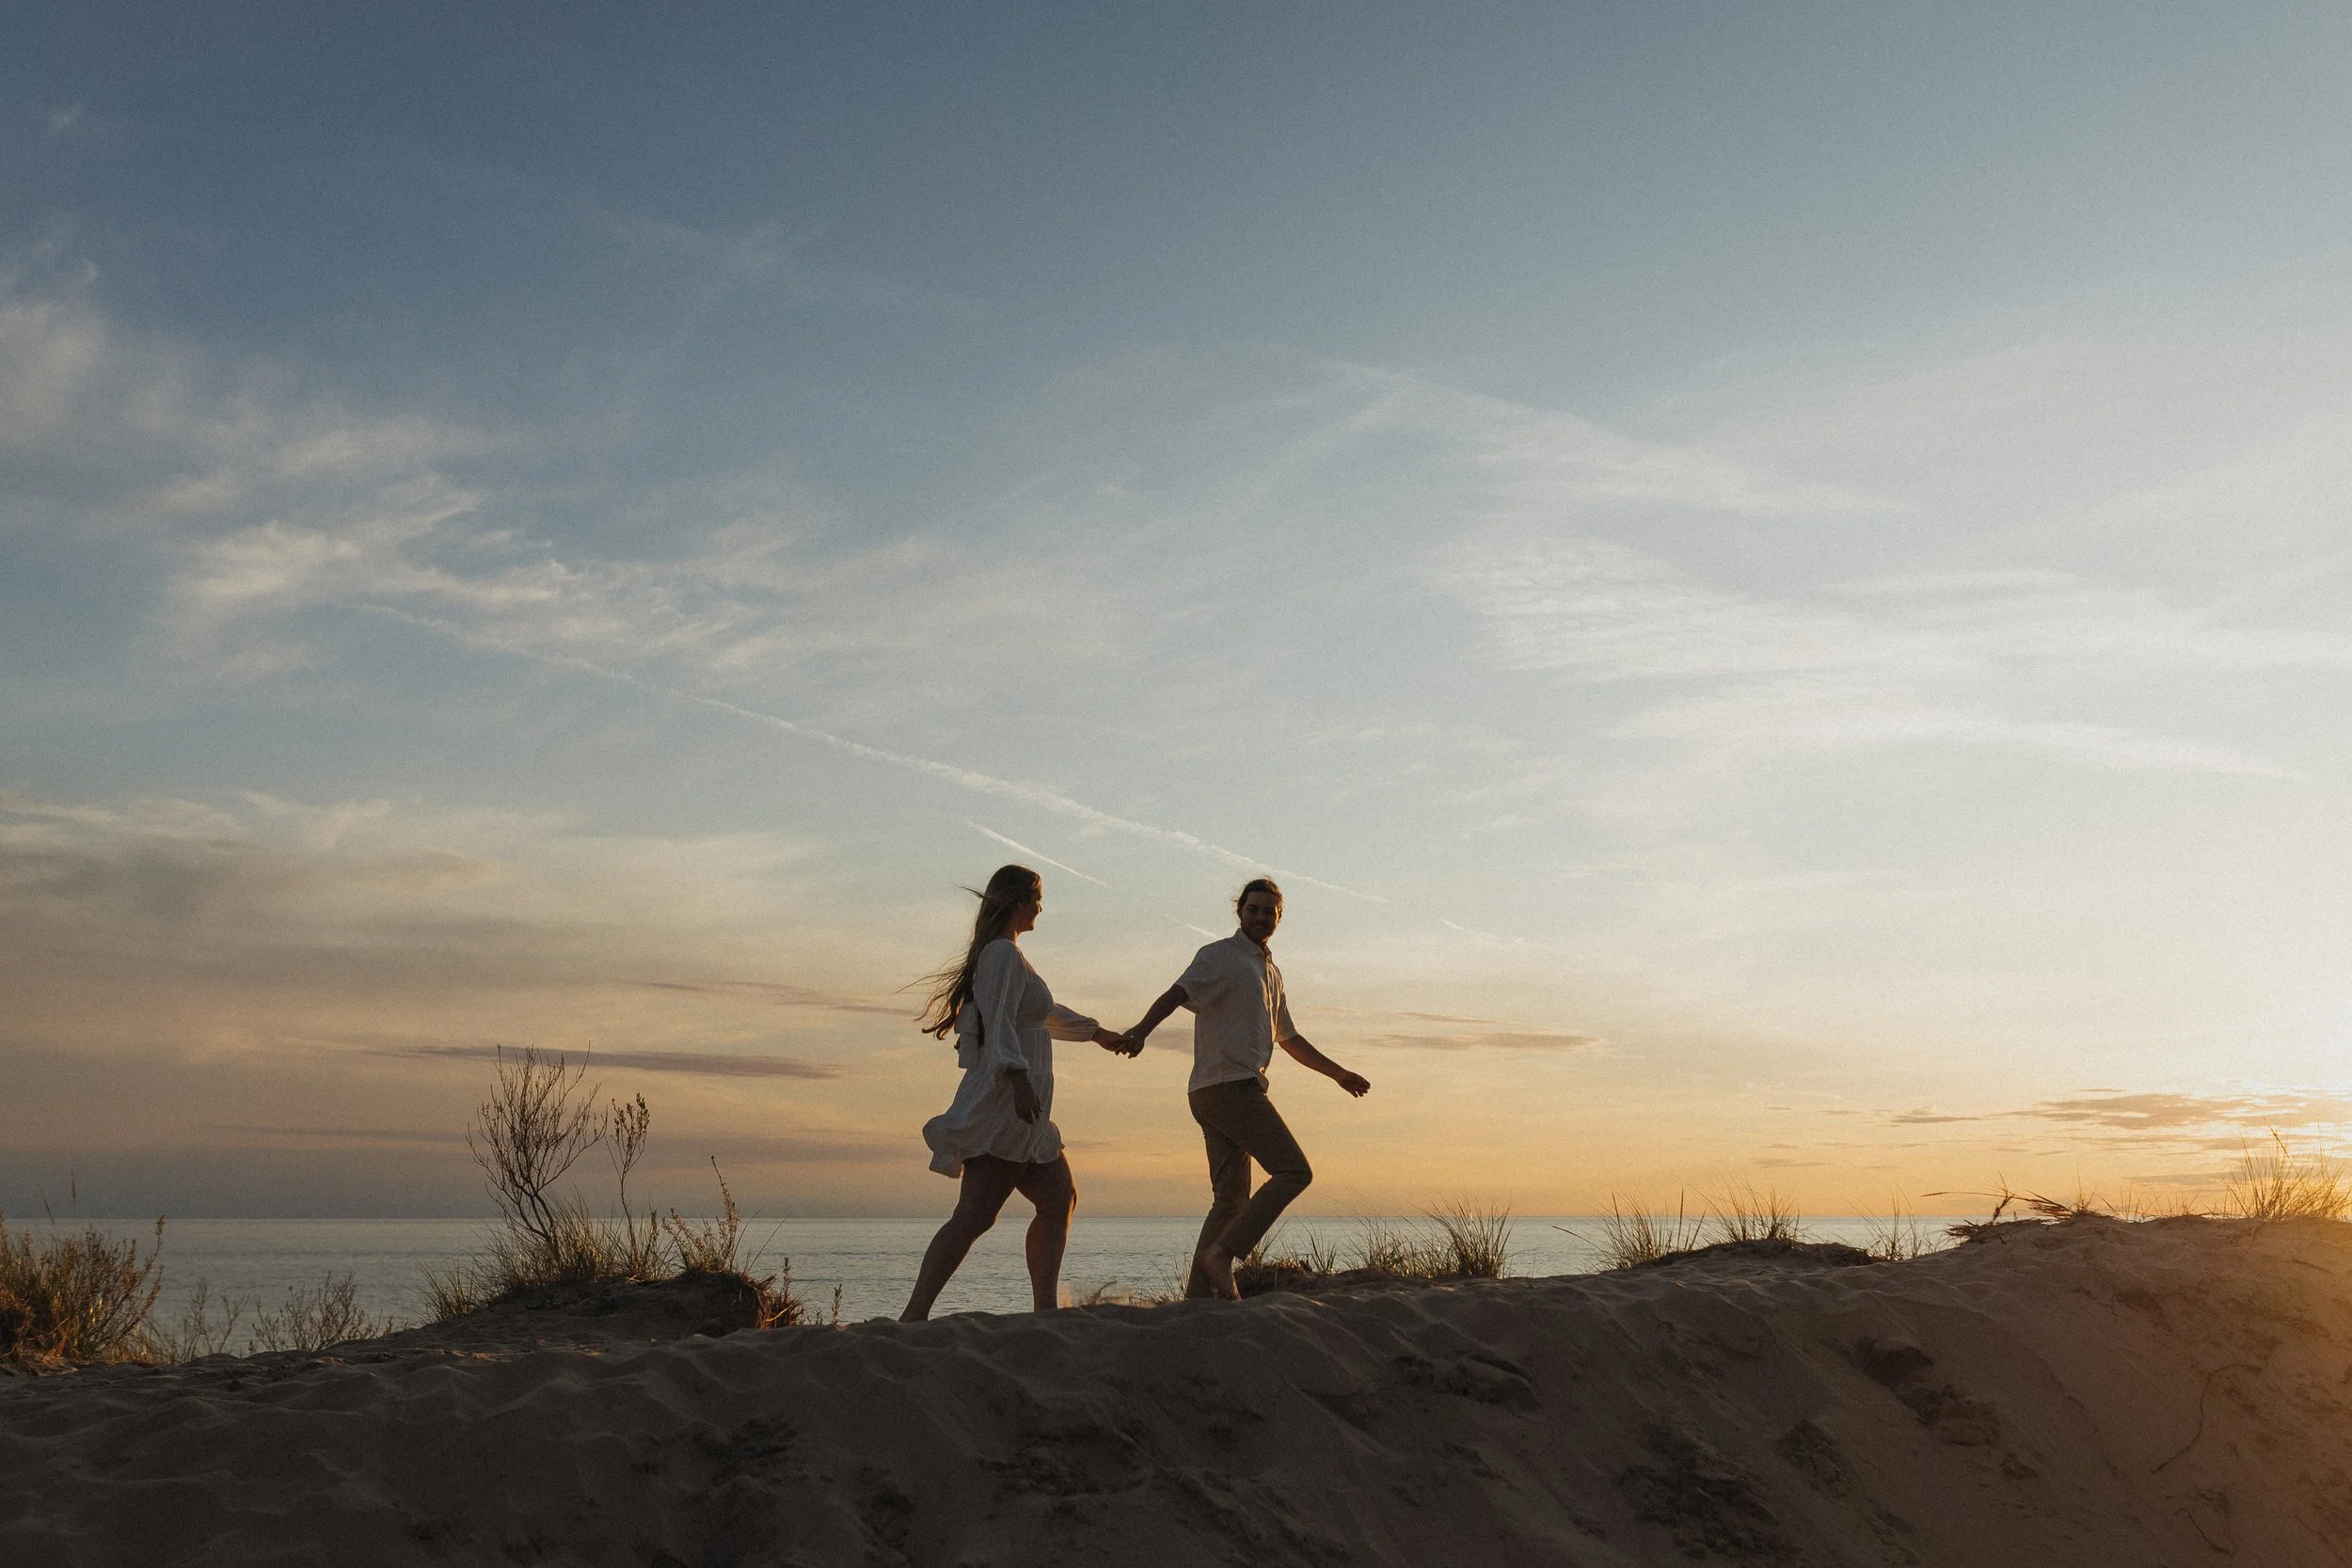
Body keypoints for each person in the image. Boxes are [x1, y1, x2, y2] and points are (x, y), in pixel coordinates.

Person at [901, 863, 1140, 1322]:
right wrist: (1017, 1077)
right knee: (974, 1216)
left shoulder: (1009, 956)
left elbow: (1040, 1013)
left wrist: (1098, 1033)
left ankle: (1044, 1310)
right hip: (1007, 1105)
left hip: (1025, 1110)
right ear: (1016, 902)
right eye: (1036, 898)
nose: (1041, 907)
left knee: (1058, 1198)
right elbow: (1000, 1019)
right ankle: (914, 1316)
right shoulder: (1001, 955)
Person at [1125, 877, 1369, 1300]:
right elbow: (1176, 994)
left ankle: (1198, 1299)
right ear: (1239, 910)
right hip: (1227, 1086)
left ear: (1279, 917)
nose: (1259, 917)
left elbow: (1289, 1039)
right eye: (1252, 909)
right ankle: (1225, 1254)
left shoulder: (1270, 971)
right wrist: (1142, 1031)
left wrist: (1339, 1074)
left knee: (1231, 1200)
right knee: (1294, 1171)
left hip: (1221, 1089)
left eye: (1268, 912)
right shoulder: (1220, 956)